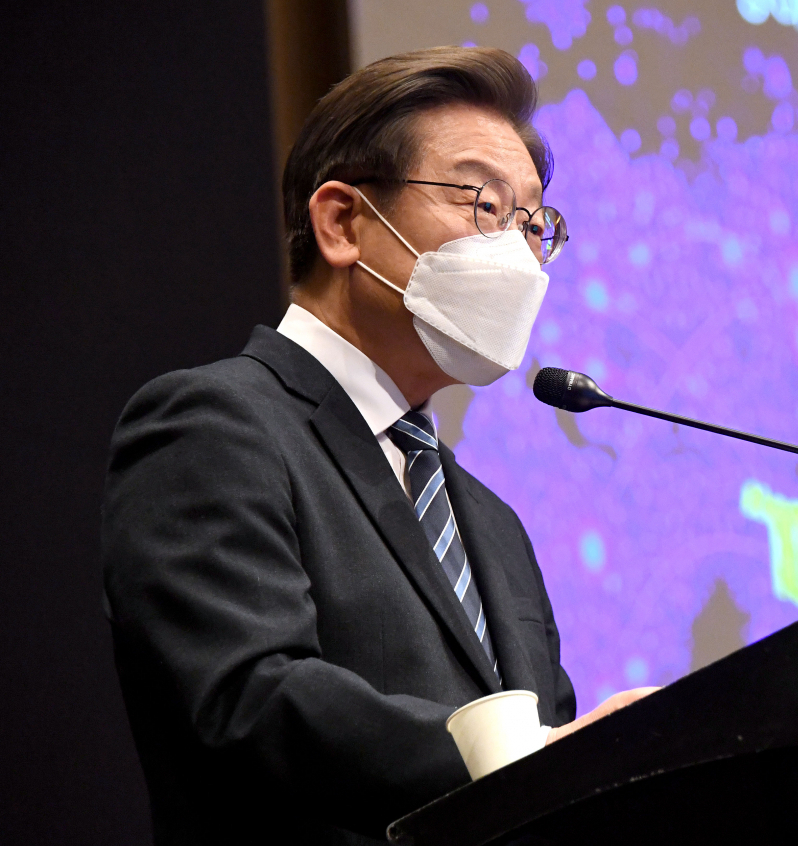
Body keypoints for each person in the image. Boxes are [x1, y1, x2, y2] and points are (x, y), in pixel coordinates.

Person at [102, 47, 654, 846]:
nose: (521, 252)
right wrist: (522, 759)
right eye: (484, 204)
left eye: (536, 223)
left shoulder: (493, 526)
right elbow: (248, 698)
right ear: (343, 223)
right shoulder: (212, 424)